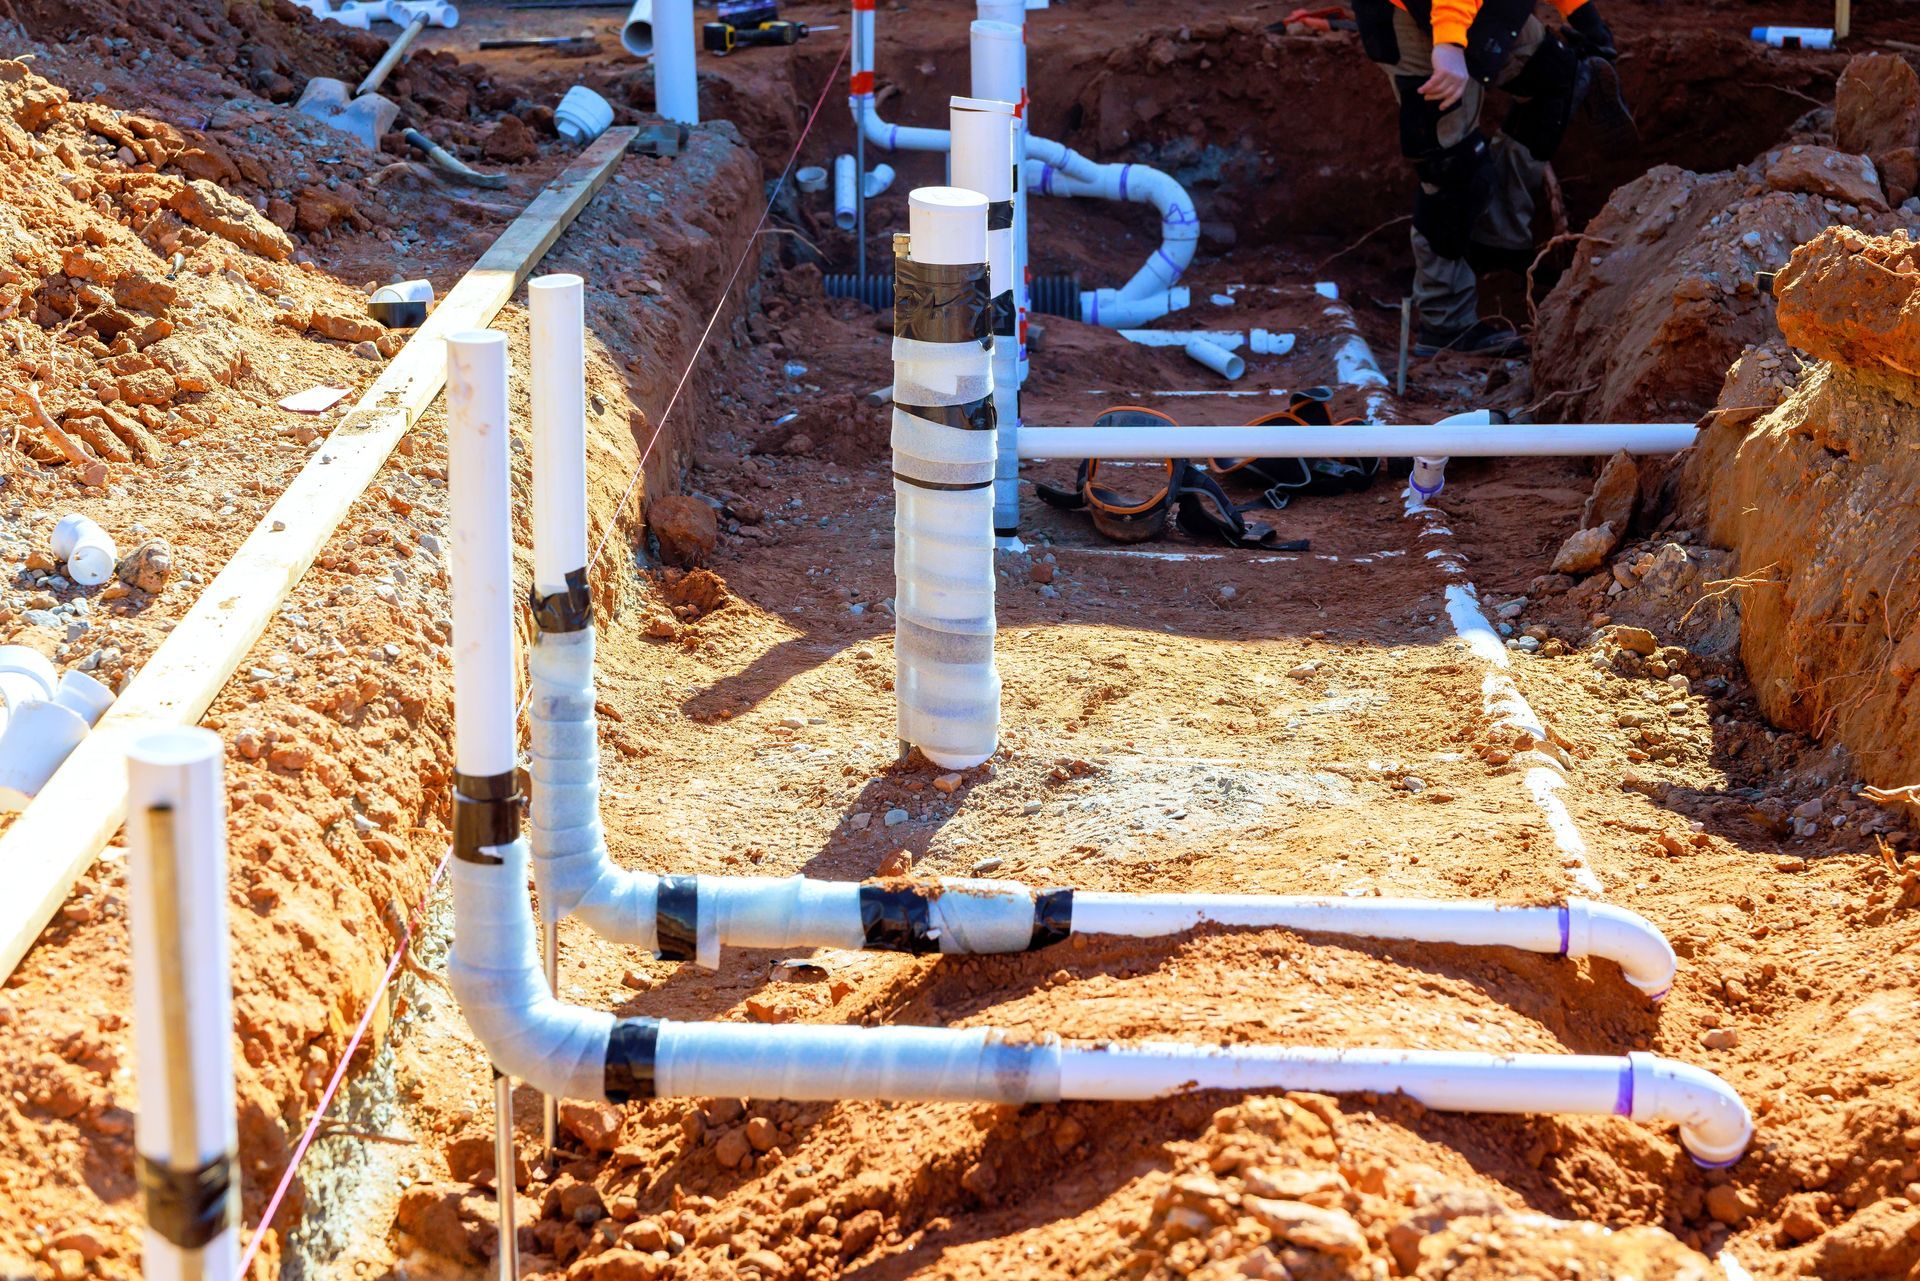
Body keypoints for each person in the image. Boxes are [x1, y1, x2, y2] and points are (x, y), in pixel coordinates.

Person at [1352, 0, 1633, 356]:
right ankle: (1446, 323)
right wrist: (1450, 44)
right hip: (1416, 15)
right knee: (1451, 170)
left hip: (1481, 9)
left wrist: (1582, 16)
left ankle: (1495, 244)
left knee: (1557, 79)